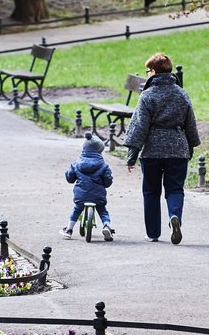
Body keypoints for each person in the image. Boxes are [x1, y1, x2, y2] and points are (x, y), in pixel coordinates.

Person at [124, 53, 200, 244]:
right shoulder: (182, 94)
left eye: (148, 70)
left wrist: (132, 155)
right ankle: (174, 216)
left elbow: (139, 126)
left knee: (151, 191)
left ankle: (153, 233)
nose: (147, 74)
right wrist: (189, 147)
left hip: (152, 151)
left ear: (154, 71)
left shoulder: (147, 96)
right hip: (177, 148)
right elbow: (190, 123)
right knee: (175, 189)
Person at [60, 133, 115, 241]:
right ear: (99, 151)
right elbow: (108, 182)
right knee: (103, 211)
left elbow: (70, 178)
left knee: (76, 210)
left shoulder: (77, 163)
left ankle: (69, 230)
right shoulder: (103, 165)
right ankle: (107, 226)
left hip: (81, 195)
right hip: (98, 195)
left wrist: (69, 174)